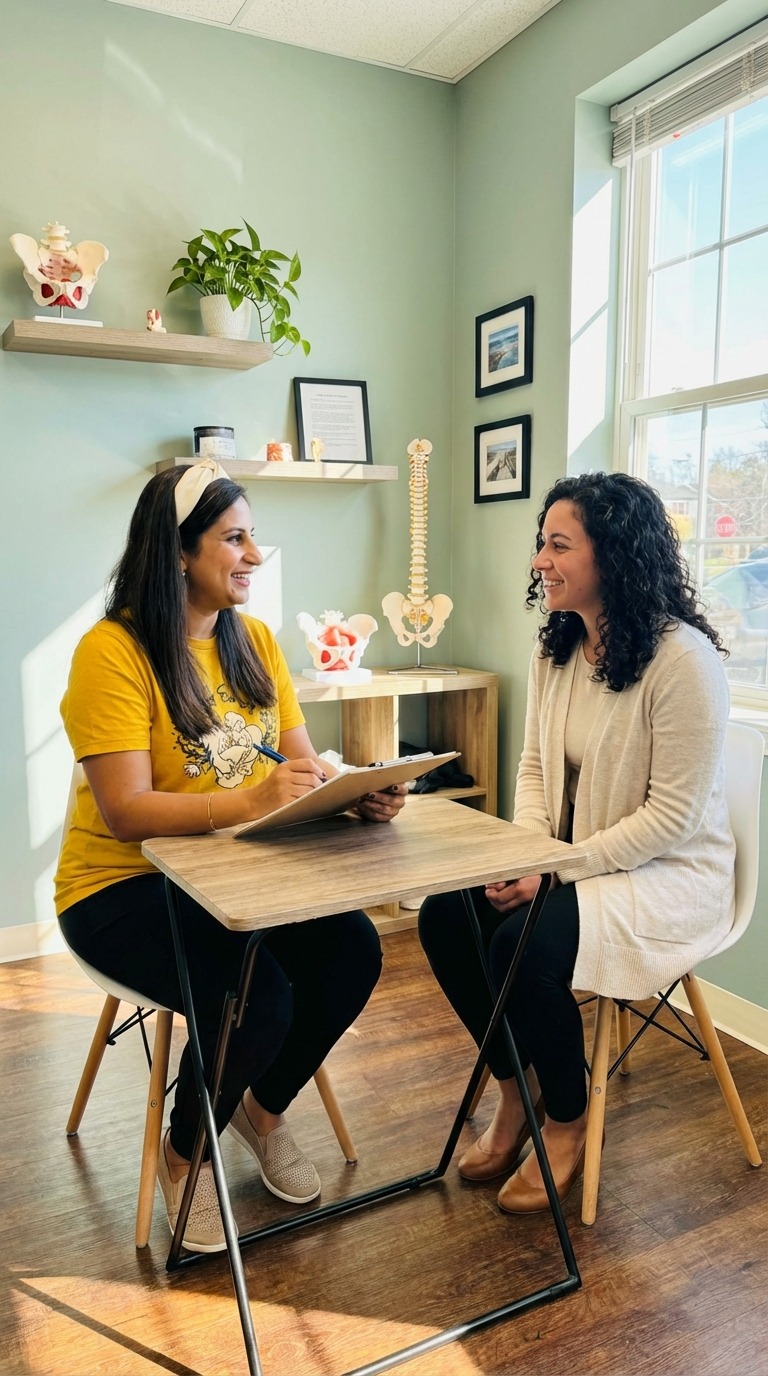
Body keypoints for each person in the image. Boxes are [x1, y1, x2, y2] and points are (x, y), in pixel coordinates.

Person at [55, 459, 406, 1252]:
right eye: (234, 538)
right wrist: (251, 802)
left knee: (353, 951)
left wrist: (353, 794)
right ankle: (185, 1153)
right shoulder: (112, 652)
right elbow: (123, 812)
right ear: (179, 551)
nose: (253, 554)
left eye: (253, 537)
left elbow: (301, 769)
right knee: (259, 999)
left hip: (241, 878)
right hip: (120, 889)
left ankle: (261, 1109)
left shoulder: (254, 642)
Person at [419, 472, 735, 1215]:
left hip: (667, 873)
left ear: (614, 555)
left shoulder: (684, 661)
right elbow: (534, 768)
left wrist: (555, 873)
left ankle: (567, 1118)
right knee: (446, 915)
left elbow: (673, 818)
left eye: (558, 546)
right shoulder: (559, 648)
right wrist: (528, 856)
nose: (541, 561)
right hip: (575, 859)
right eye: (543, 544)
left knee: (521, 945)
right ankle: (516, 1088)